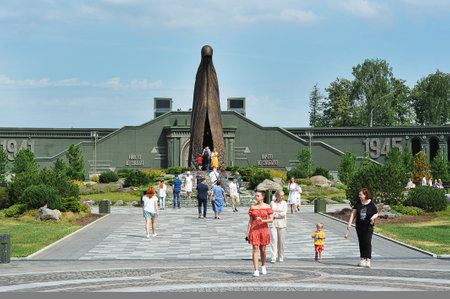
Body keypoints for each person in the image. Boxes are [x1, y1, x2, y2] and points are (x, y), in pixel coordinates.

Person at [347, 188, 379, 268]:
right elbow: (353, 214)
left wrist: (372, 218)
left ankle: (368, 260)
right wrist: (349, 224)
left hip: (368, 226)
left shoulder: (371, 204)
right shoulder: (358, 203)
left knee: (367, 242)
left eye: (360, 194)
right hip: (359, 226)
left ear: (365, 195)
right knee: (361, 242)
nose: (359, 196)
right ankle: (362, 259)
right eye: (359, 194)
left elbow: (376, 213)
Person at [247, 191, 274, 277]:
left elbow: (271, 219)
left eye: (258, 196)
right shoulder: (253, 207)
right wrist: (248, 232)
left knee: (263, 249)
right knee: (255, 248)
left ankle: (263, 265)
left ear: (262, 197)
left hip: (263, 229)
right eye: (256, 196)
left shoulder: (267, 206)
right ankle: (256, 270)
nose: (256, 197)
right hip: (254, 229)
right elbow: (250, 221)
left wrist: (263, 220)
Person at [269, 190, 287, 263]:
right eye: (281, 195)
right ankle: (273, 257)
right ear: (277, 196)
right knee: (274, 240)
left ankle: (281, 256)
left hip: (282, 223)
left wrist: (275, 214)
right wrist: (276, 214)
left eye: (283, 195)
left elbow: (283, 214)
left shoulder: (284, 203)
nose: (282, 197)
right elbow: (270, 212)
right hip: (273, 223)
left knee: (281, 241)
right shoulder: (272, 203)